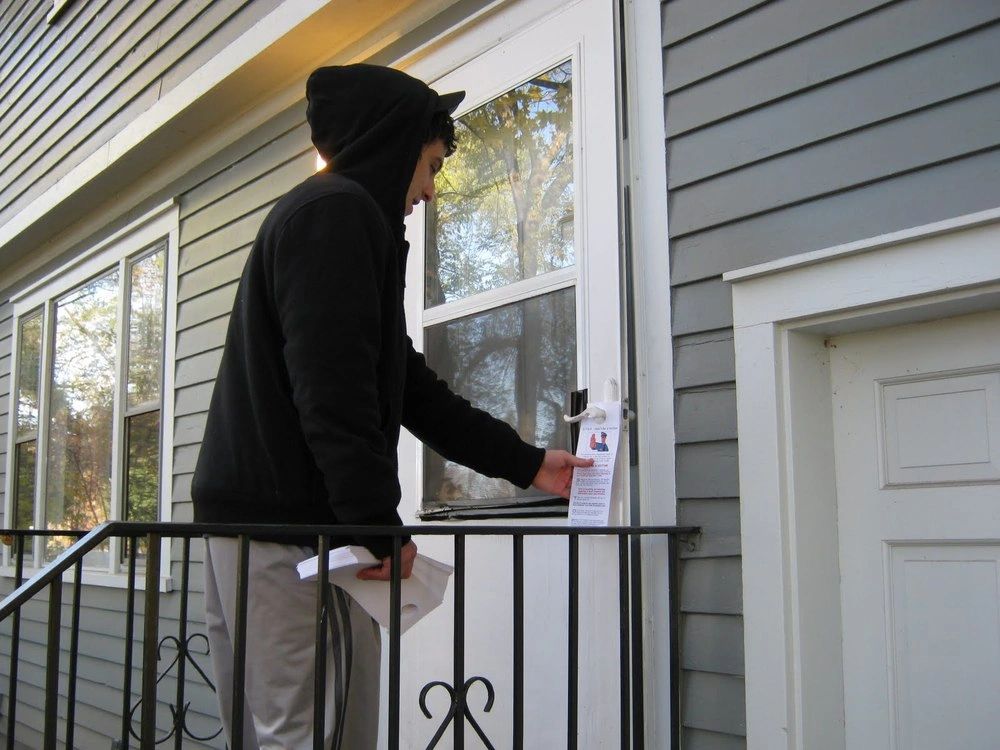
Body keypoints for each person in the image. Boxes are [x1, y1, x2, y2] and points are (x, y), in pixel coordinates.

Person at [191, 63, 591, 749]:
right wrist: (377, 529)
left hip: (254, 528)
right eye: (430, 165)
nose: (430, 190)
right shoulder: (337, 215)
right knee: (319, 732)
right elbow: (334, 393)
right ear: (394, 144)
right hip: (299, 540)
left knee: (264, 731)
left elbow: (405, 387)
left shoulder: (328, 217)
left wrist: (528, 465)